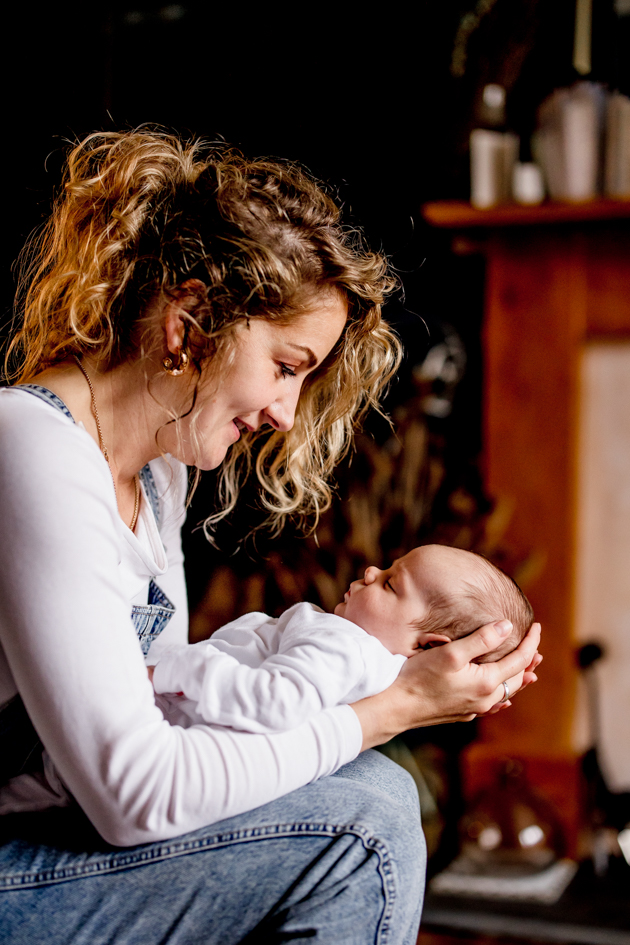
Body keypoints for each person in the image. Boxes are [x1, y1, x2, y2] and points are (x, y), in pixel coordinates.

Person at [0, 129, 541, 945]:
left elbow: (166, 718)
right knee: (364, 826)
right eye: (287, 365)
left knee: (373, 796)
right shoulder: (31, 449)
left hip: (53, 840)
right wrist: (394, 705)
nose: (285, 413)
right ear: (190, 323)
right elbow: (136, 793)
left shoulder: (156, 475)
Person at [149, 545, 534, 734]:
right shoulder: (374, 675)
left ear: (428, 646)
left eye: (390, 583)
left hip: (165, 715)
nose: (370, 571)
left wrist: (165, 671)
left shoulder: (344, 647)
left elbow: (274, 700)